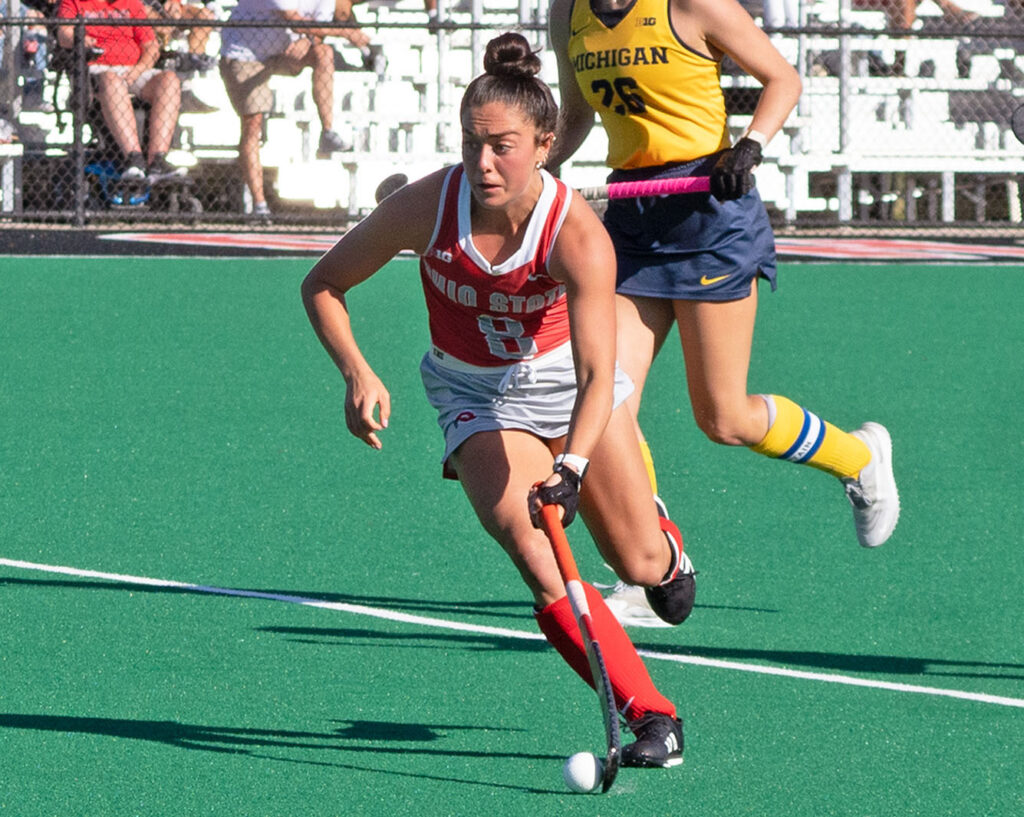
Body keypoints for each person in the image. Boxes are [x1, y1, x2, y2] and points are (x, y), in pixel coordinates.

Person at [302, 32, 696, 768]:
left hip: (565, 386)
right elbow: (322, 283)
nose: (483, 162)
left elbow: (594, 373)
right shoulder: (428, 205)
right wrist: (356, 371)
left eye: (503, 146)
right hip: (474, 392)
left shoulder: (577, 235)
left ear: (545, 143)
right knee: (531, 539)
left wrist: (574, 465)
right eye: (472, 143)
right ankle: (653, 715)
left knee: (639, 564)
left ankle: (664, 542)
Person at [547, 0, 900, 618]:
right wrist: (542, 170)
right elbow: (577, 111)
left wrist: (751, 144)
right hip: (632, 217)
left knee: (725, 418)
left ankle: (859, 457)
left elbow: (782, 78)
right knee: (607, 404)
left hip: (711, 212)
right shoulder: (568, 10)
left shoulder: (690, 4)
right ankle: (649, 562)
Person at [219, 0, 384, 219]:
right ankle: (260, 207)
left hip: (284, 51)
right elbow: (295, 21)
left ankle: (328, 131)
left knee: (323, 52)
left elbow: (314, 32)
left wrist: (308, 40)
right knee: (252, 123)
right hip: (246, 54)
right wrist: (347, 33)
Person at [56, 0, 187, 181]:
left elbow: (151, 47)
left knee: (169, 81)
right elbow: (64, 34)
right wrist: (80, 38)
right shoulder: (75, 2)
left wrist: (137, 71)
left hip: (134, 68)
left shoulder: (131, 3)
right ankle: (134, 158)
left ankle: (157, 161)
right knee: (111, 79)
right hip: (98, 68)